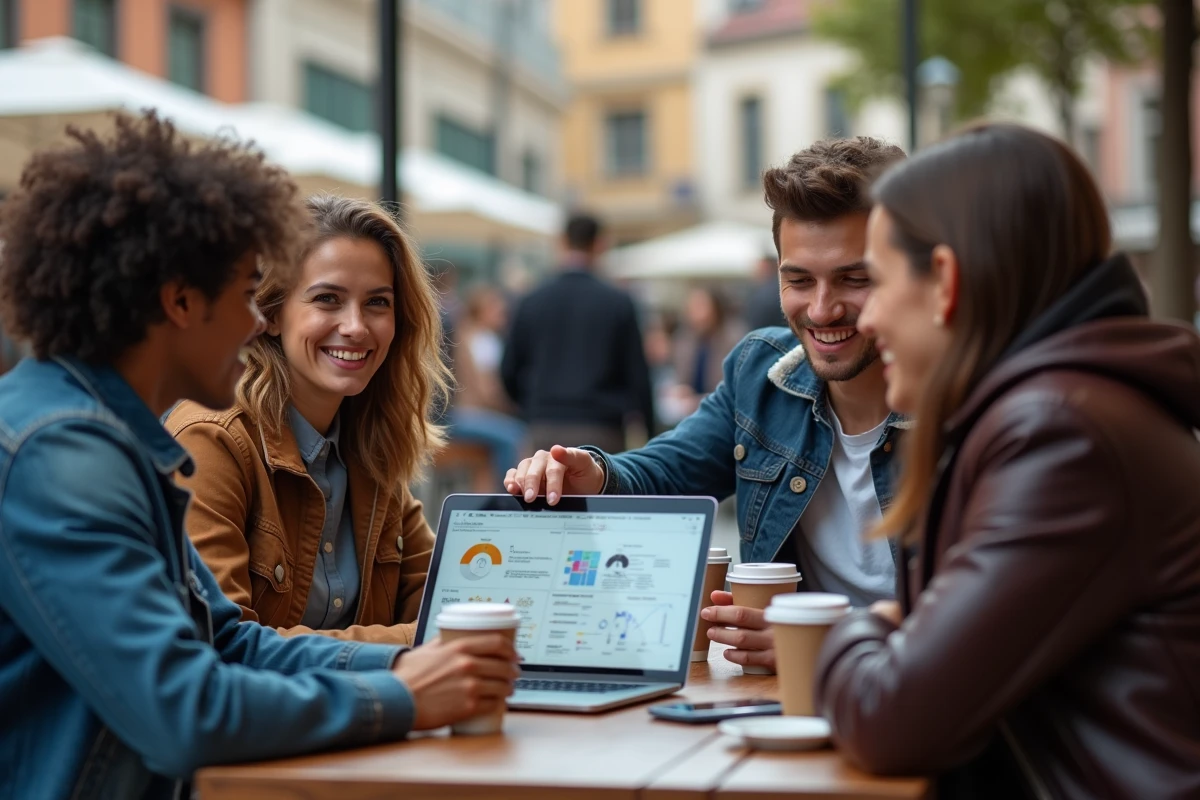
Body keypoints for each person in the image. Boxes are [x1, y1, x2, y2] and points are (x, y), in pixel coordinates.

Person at [0, 112, 518, 800]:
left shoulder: (104, 439)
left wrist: (404, 667)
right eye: (249, 294)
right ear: (181, 301)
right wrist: (399, 697)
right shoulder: (63, 455)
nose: (256, 323)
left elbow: (230, 642)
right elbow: (183, 712)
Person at [815, 123, 1200, 798]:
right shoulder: (1063, 410)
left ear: (944, 281)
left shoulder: (1059, 434)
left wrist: (860, 626)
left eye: (877, 281)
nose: (867, 319)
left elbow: (890, 716)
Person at [506, 138, 907, 672]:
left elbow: (986, 613)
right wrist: (595, 474)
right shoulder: (760, 372)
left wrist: (826, 639)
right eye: (798, 280)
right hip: (778, 698)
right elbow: (670, 470)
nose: (821, 309)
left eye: (854, 279)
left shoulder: (969, 400)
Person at [165, 195, 448, 644]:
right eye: (327, 299)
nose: (356, 326)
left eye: (377, 302)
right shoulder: (210, 439)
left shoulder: (370, 447)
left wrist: (541, 508)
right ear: (270, 315)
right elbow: (222, 645)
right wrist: (415, 645)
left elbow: (449, 600)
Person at [501, 212, 655, 454]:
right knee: (601, 480)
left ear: (561, 242)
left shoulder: (531, 300)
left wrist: (533, 406)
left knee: (541, 480)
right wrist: (651, 433)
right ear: (600, 244)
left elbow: (508, 369)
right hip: (601, 430)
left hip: (543, 427)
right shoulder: (618, 302)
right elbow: (637, 375)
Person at [445, 284, 528, 483]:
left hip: (464, 413)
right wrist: (517, 407)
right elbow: (488, 392)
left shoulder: (468, 334)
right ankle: (510, 492)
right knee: (516, 435)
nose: (502, 311)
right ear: (480, 311)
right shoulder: (483, 341)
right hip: (469, 414)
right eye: (494, 307)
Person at [663, 286, 746, 419]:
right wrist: (681, 390)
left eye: (701, 307)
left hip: (724, 415)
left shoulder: (734, 339)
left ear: (716, 309)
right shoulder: (685, 339)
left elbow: (734, 388)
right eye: (692, 308)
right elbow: (681, 377)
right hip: (688, 413)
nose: (696, 314)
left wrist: (700, 399)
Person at [743, 252, 788, 330]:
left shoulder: (763, 294)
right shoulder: (787, 288)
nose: (756, 272)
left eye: (759, 269)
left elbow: (756, 323)